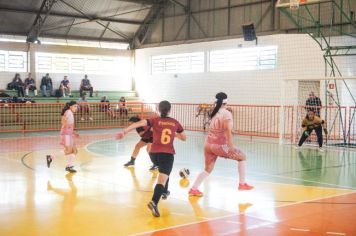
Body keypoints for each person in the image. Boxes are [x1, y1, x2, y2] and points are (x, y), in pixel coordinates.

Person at [116, 101, 186, 217]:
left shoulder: (154, 120)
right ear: (170, 110)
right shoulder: (175, 123)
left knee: (164, 173)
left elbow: (138, 124)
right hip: (167, 154)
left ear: (159, 109)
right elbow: (184, 138)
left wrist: (125, 131)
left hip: (153, 154)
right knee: (162, 178)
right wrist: (175, 134)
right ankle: (154, 202)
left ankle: (164, 191)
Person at [189, 92, 253, 197]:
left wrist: (232, 130)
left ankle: (194, 189)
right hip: (219, 146)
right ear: (226, 101)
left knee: (208, 169)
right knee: (242, 157)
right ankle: (242, 184)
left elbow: (221, 127)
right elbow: (227, 130)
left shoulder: (214, 112)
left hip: (208, 144)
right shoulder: (227, 113)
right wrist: (231, 146)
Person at [46, 101, 79, 173]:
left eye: (77, 106)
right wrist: (68, 127)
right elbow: (63, 121)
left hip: (69, 134)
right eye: (75, 106)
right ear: (70, 106)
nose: (76, 108)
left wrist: (73, 132)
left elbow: (69, 125)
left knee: (75, 151)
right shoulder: (68, 112)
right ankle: (50, 157)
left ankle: (69, 166)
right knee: (69, 151)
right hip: (66, 135)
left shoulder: (70, 113)